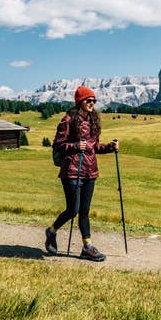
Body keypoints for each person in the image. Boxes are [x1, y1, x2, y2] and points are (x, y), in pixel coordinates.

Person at [45, 86, 118, 261]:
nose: (92, 103)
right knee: (73, 209)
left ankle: (87, 247)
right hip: (71, 171)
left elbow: (94, 148)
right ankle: (52, 231)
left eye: (94, 100)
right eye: (88, 100)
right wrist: (75, 146)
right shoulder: (68, 120)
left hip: (89, 172)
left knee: (84, 211)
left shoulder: (93, 121)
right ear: (80, 102)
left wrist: (109, 147)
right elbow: (58, 145)